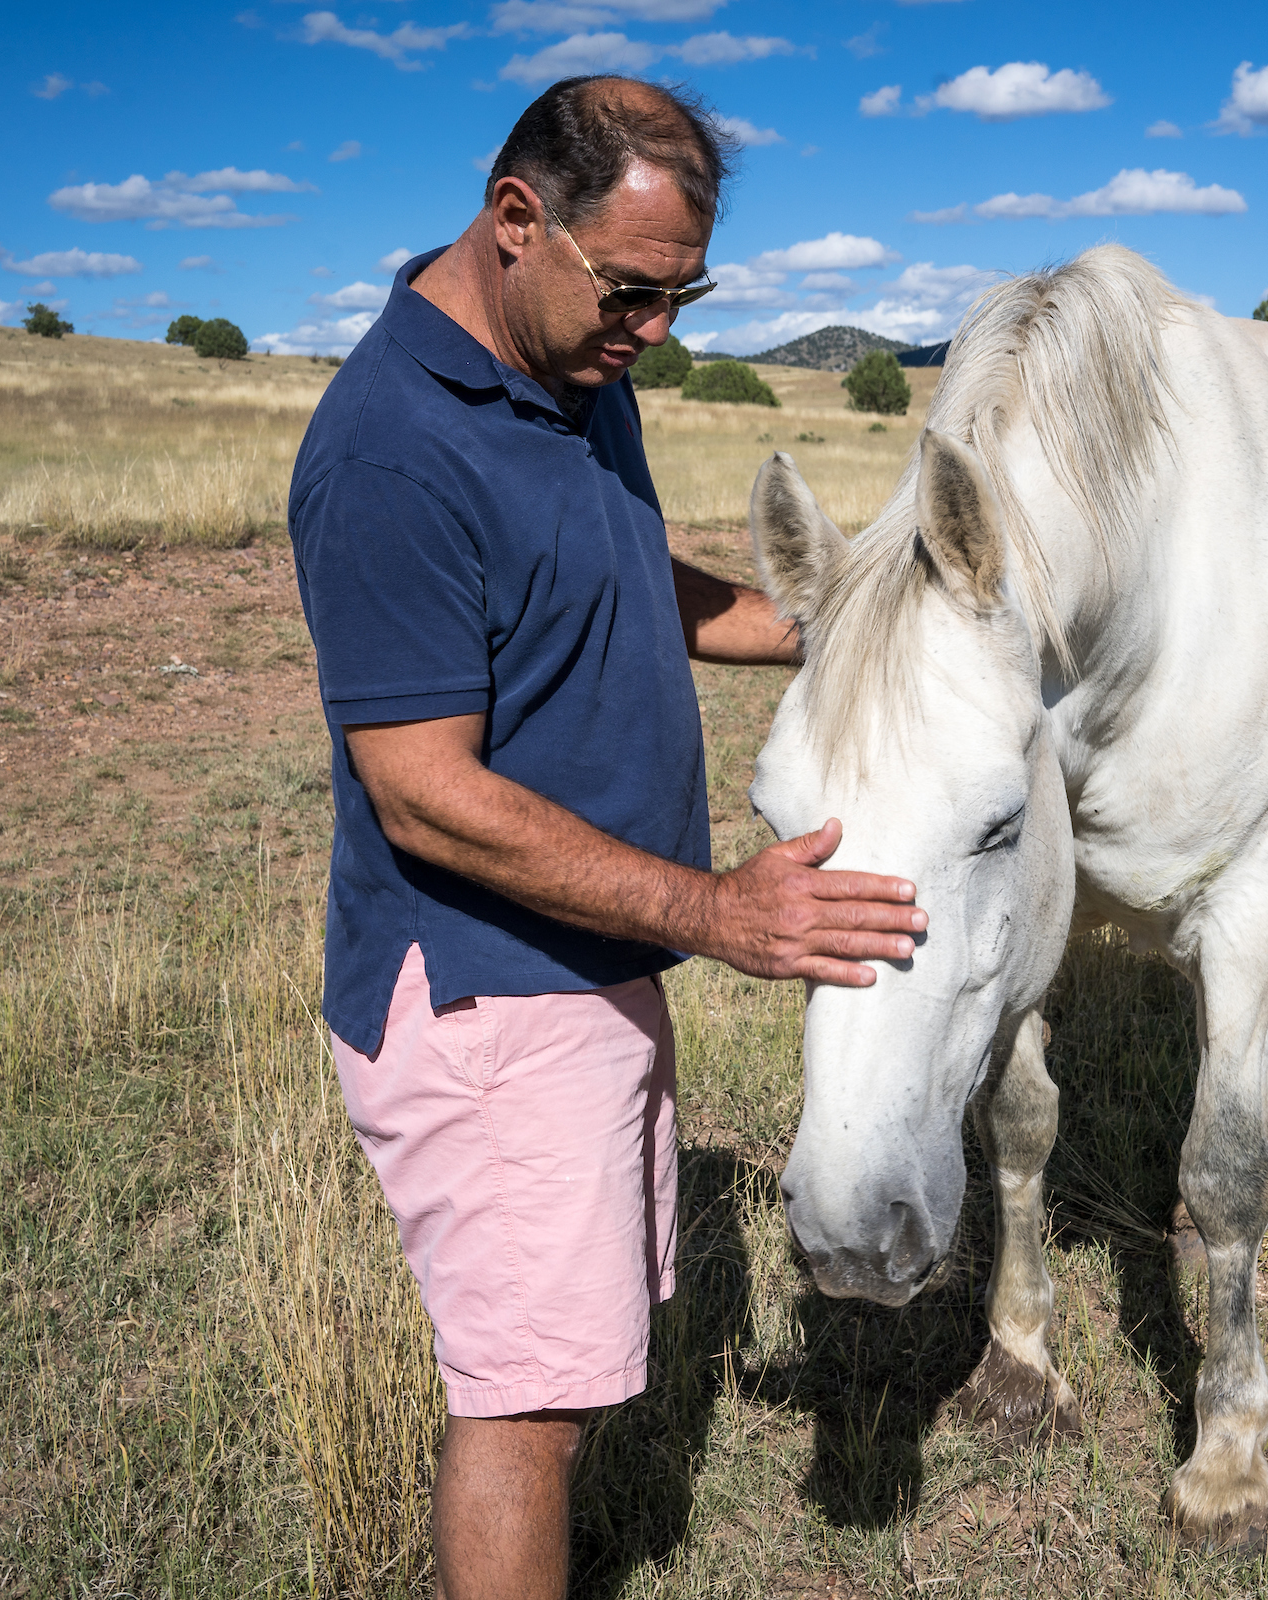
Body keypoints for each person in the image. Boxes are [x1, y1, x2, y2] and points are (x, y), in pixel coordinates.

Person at [286, 76, 925, 1600]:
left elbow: (632, 579)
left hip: (586, 969)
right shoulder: (389, 452)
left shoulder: (576, 377)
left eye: (683, 296)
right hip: (488, 994)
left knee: (565, 1375)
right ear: (518, 221)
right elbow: (423, 789)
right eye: (634, 293)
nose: (656, 331)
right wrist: (719, 915)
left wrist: (841, 624)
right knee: (521, 1415)